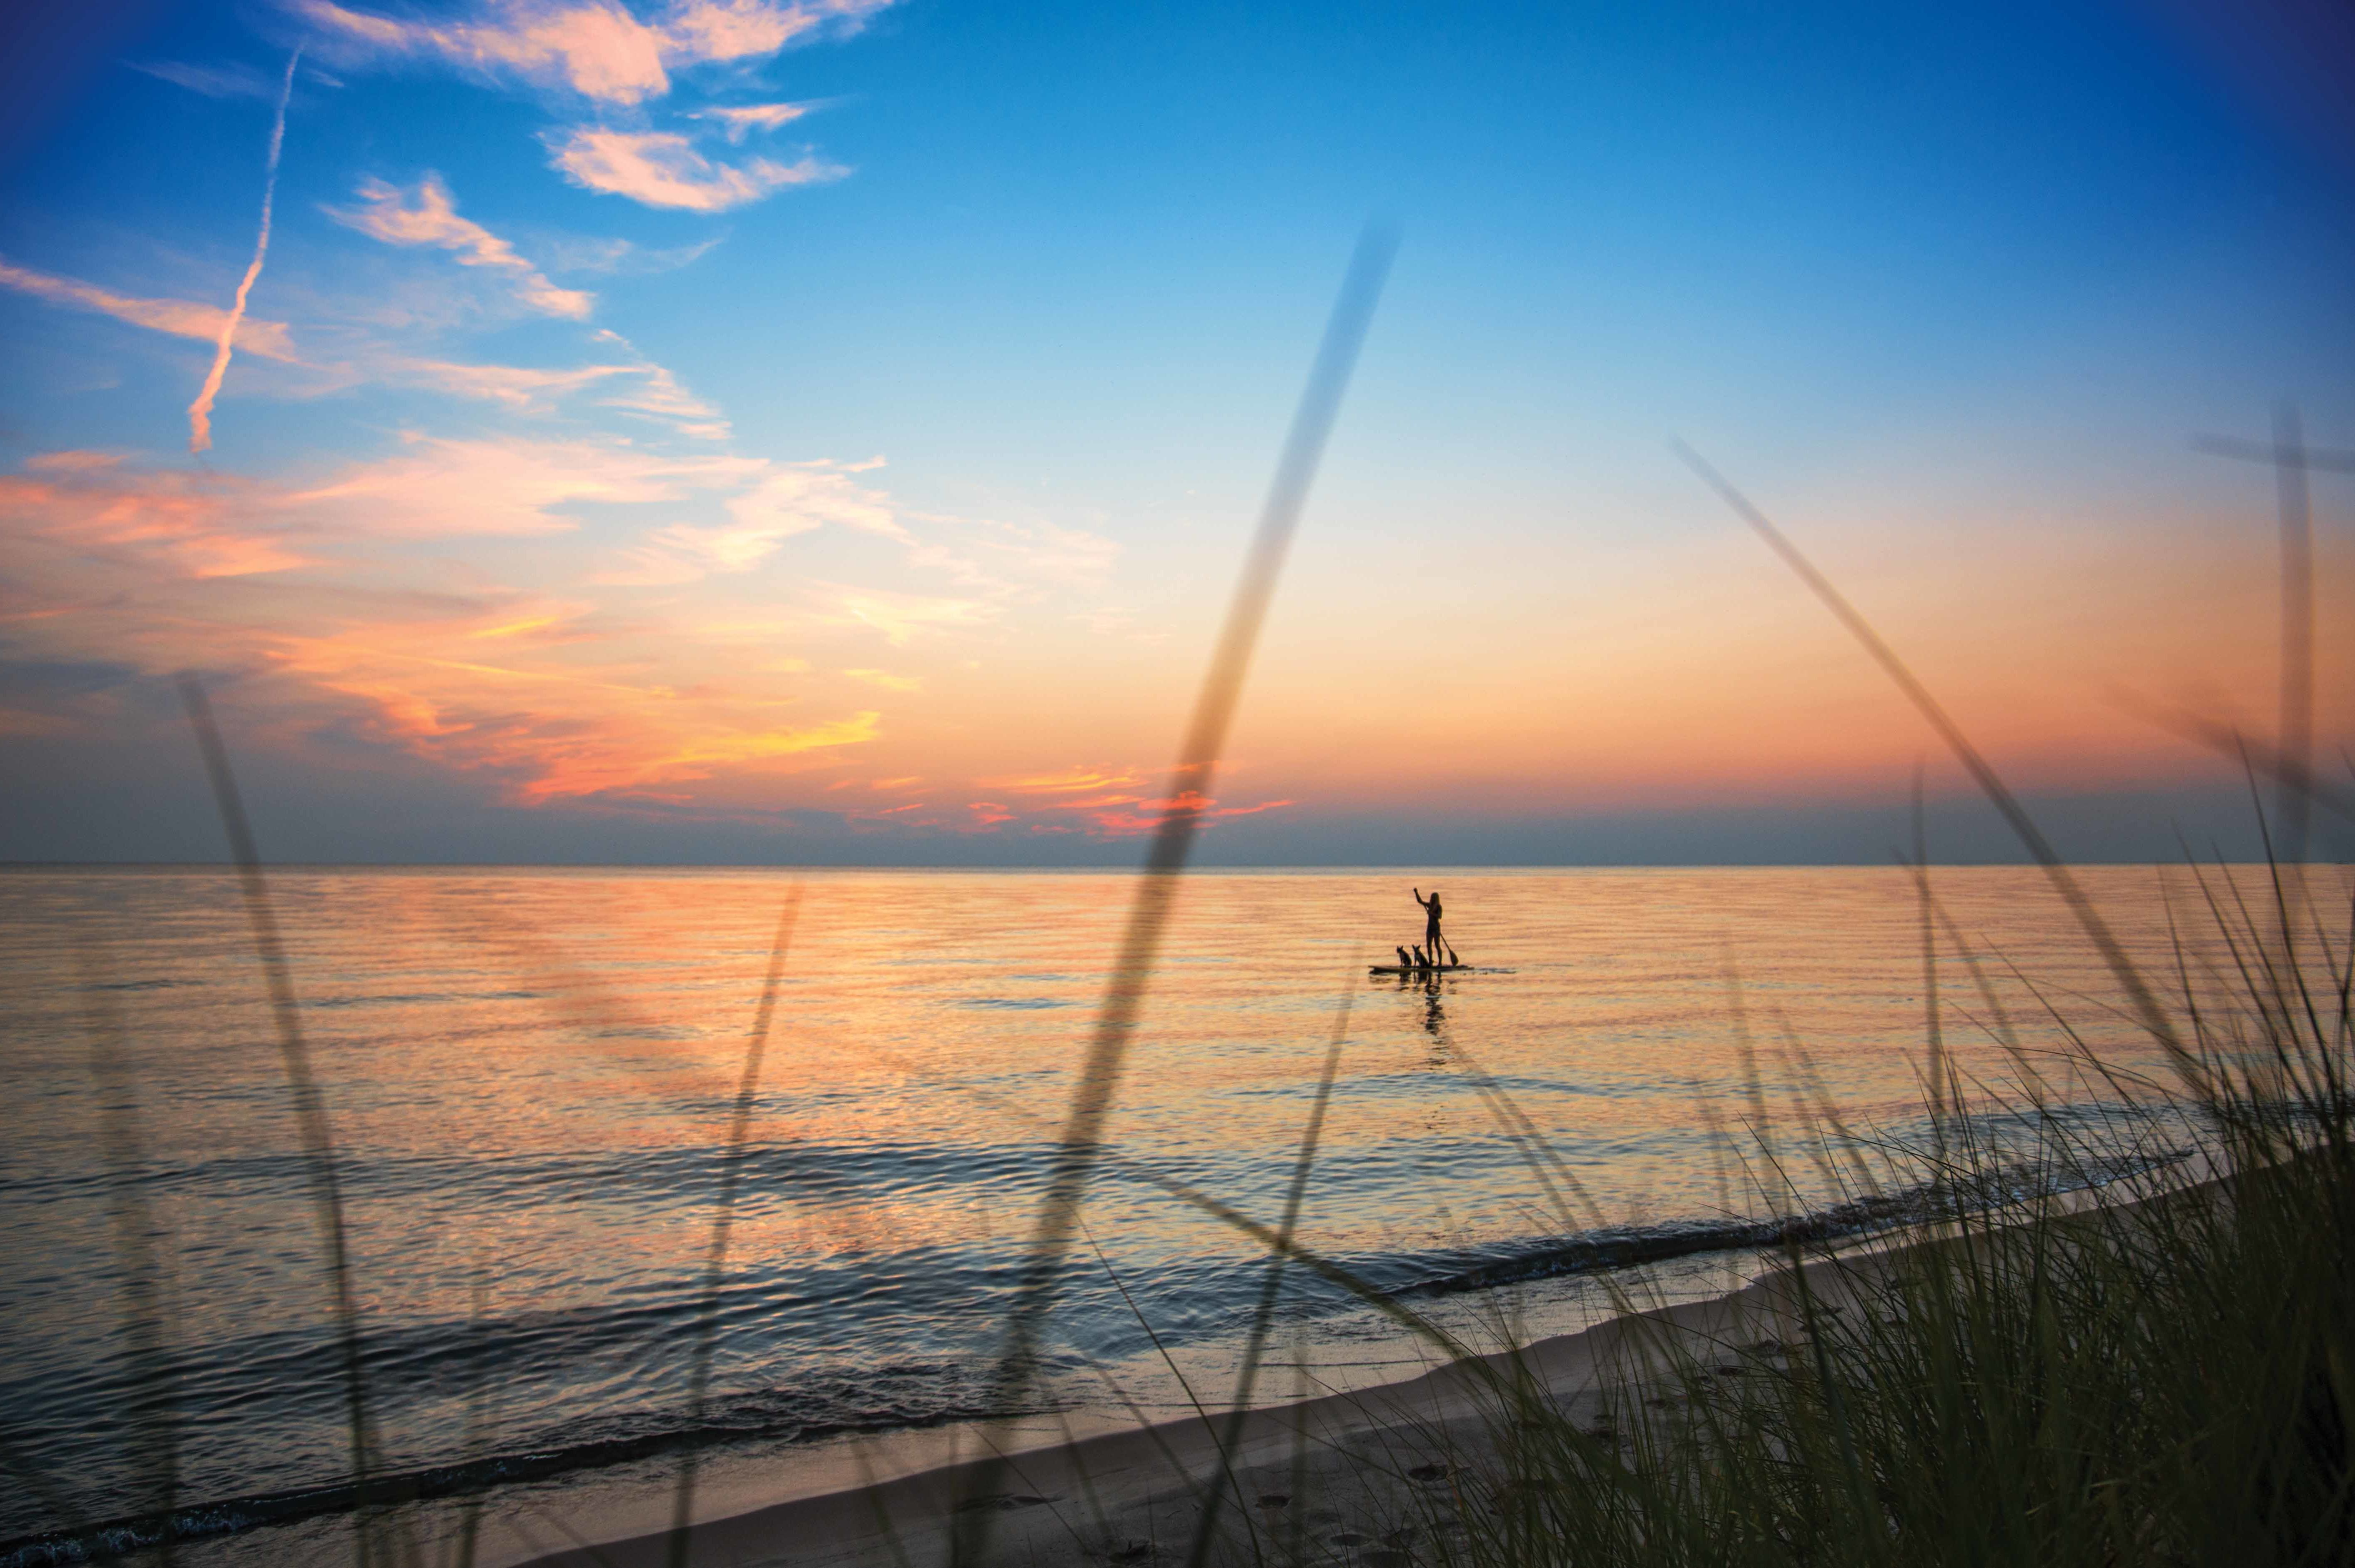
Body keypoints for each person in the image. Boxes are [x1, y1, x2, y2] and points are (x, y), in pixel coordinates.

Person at [1413, 887, 1443, 963]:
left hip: (1436, 928)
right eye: (1432, 897)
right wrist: (1416, 893)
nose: (1432, 899)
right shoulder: (1429, 905)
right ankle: (1430, 961)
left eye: (1433, 898)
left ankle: (1440, 963)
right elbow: (1420, 901)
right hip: (1430, 928)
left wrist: (1432, 913)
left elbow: (1440, 916)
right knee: (1429, 946)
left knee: (1437, 946)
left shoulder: (1439, 907)